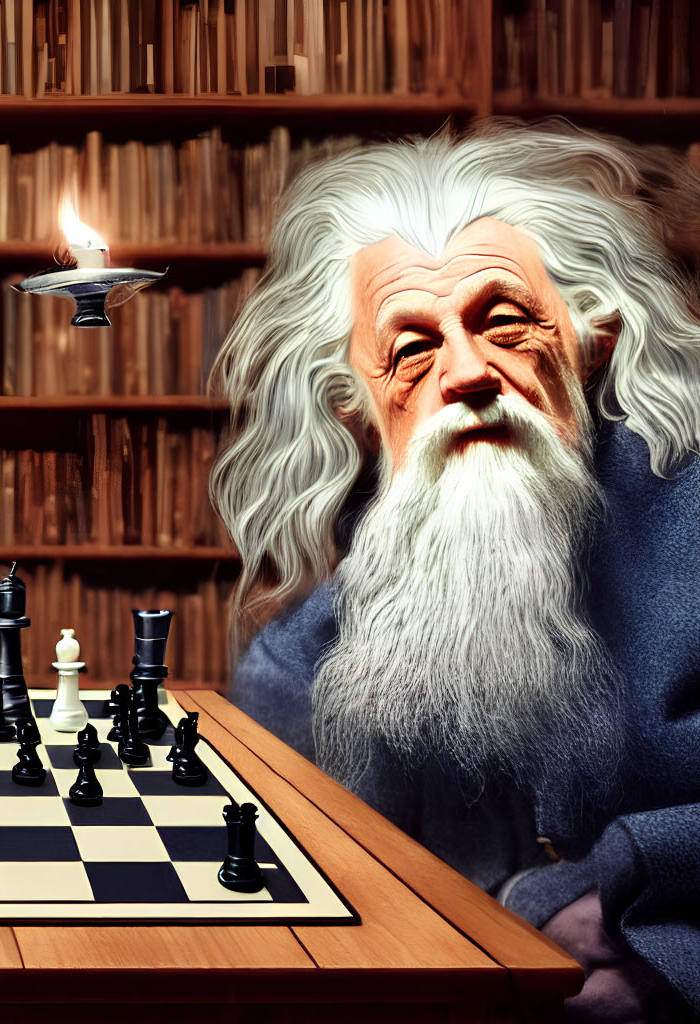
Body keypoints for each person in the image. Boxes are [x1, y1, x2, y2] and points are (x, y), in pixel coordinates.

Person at [210, 119, 700, 1022]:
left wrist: (670, 959)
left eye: (505, 322)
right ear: (356, 407)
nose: (470, 373)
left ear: (589, 339)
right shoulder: (298, 669)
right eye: (413, 349)